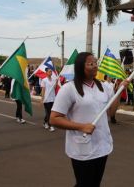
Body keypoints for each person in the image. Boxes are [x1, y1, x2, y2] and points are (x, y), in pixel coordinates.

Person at [50, 52, 128, 187]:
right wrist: (81, 127)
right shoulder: (69, 89)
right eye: (90, 64)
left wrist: (119, 91)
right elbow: (54, 119)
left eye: (95, 63)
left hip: (103, 146)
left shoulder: (105, 87)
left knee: (95, 183)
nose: (95, 66)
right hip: (82, 148)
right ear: (81, 67)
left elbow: (111, 112)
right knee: (84, 184)